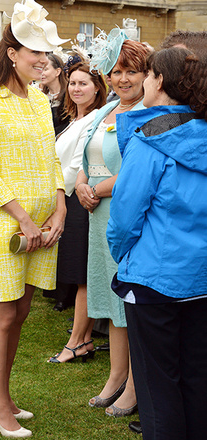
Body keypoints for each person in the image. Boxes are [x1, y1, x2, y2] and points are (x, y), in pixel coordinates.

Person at [0, 0, 68, 437]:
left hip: (41, 224)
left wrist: (60, 204)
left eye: (46, 57)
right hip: (2, 224)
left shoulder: (40, 100)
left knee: (21, 310)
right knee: (1, 316)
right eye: (35, 55)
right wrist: (23, 218)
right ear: (12, 54)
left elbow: (51, 159)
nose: (43, 63)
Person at [107, 46, 207, 440]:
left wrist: (125, 255)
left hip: (155, 281)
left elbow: (125, 217)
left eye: (147, 75)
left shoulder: (149, 142)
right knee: (196, 380)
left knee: (157, 387)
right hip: (196, 277)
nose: (143, 82)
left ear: (159, 82)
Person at [74, 29, 149, 417]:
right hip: (97, 213)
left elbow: (141, 171)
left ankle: (136, 385)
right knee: (112, 295)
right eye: (116, 70)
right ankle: (116, 376)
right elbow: (88, 155)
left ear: (146, 74)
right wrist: (83, 184)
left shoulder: (148, 113)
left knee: (131, 298)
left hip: (126, 214)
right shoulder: (107, 109)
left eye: (131, 72)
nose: (122, 79)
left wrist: (97, 189)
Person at [47, 61, 107, 362]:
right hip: (67, 197)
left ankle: (77, 341)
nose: (76, 88)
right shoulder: (76, 117)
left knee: (84, 274)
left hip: (75, 199)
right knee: (78, 271)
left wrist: (56, 200)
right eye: (73, 83)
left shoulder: (96, 117)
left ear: (97, 87)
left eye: (83, 83)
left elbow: (75, 167)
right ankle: (81, 339)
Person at [40, 53, 69, 135]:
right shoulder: (40, 97)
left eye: (45, 69)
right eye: (40, 69)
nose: (42, 73)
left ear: (57, 71)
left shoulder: (69, 95)